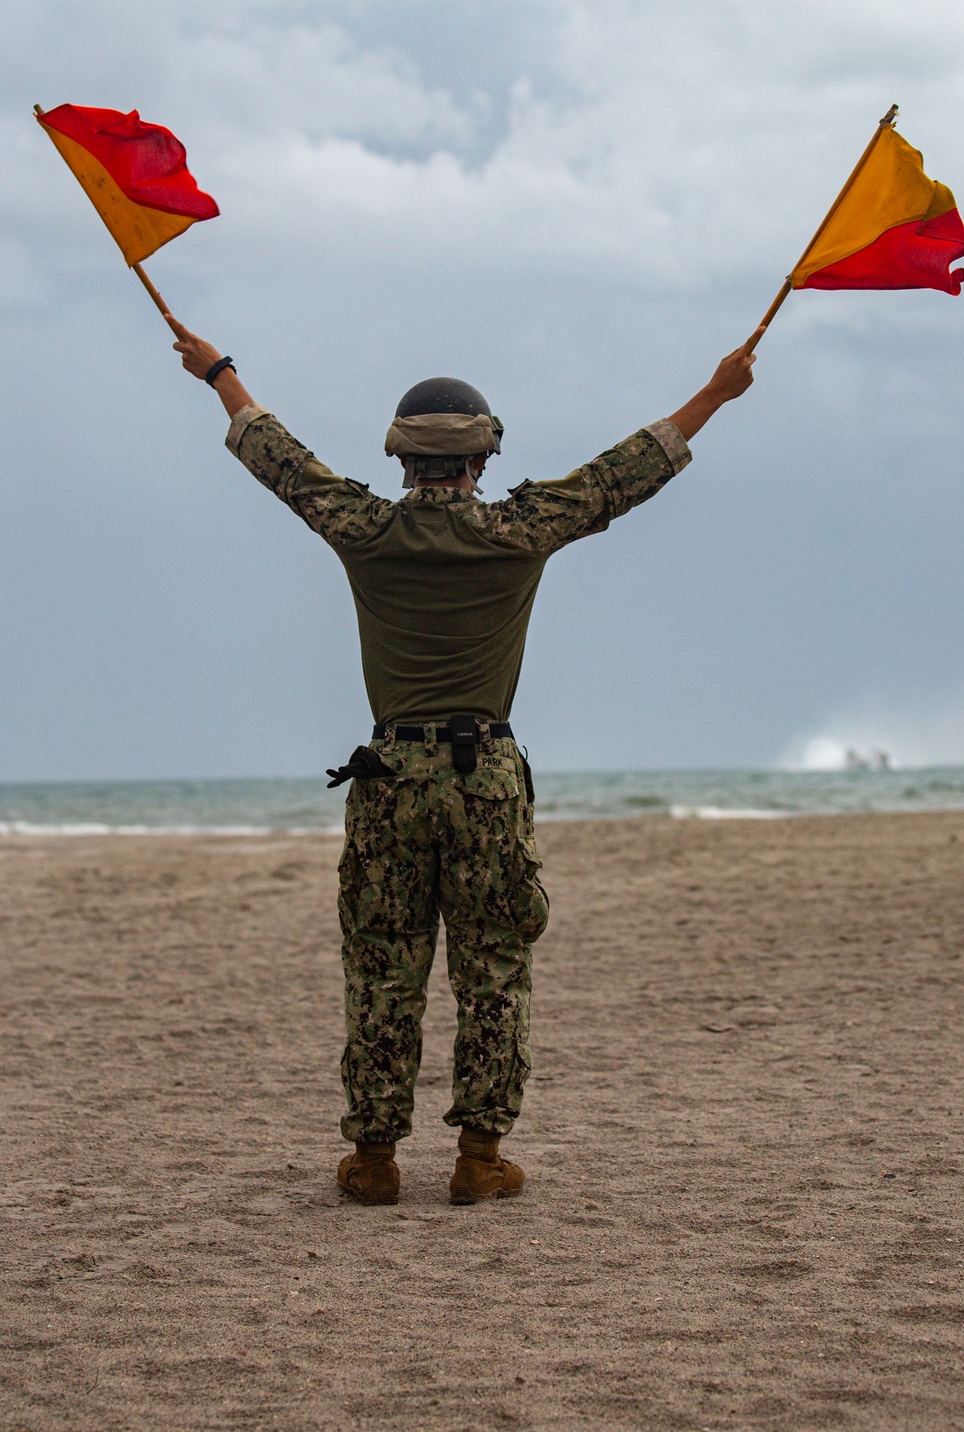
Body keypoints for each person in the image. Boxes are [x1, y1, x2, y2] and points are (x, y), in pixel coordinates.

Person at [168, 315, 755, 1205]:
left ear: (402, 458)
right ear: (482, 457)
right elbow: (621, 475)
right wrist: (716, 392)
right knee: (493, 972)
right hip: (485, 782)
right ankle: (479, 1160)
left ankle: (372, 1162)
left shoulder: (362, 529)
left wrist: (220, 373)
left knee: (381, 973)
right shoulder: (518, 531)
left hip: (389, 779)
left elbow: (281, 462)